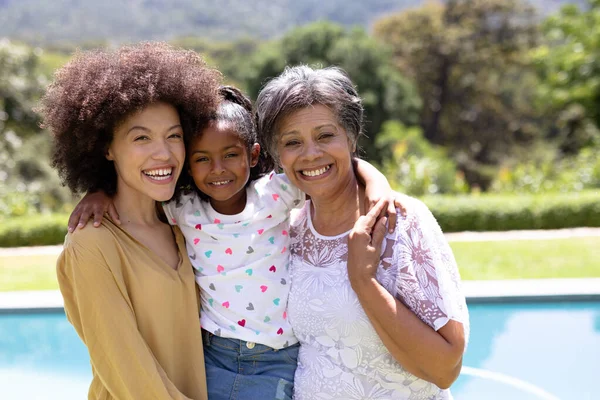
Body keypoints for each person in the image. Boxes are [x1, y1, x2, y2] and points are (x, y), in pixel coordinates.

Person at [67, 84, 404, 400]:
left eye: (173, 137)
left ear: (253, 155)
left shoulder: (274, 194)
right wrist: (98, 190)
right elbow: (133, 195)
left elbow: (333, 167)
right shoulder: (183, 210)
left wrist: (378, 186)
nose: (217, 168)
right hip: (215, 356)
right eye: (202, 158)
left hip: (276, 358)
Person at [255, 65, 470, 399]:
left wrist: (363, 281)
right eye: (292, 142)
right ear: (277, 155)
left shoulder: (399, 220)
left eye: (325, 135)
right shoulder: (289, 229)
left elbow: (445, 369)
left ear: (351, 137)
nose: (311, 153)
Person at [37, 42, 222, 400]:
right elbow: (128, 371)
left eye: (174, 136)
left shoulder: (184, 226)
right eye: (141, 138)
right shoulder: (92, 244)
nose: (164, 153)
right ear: (106, 148)